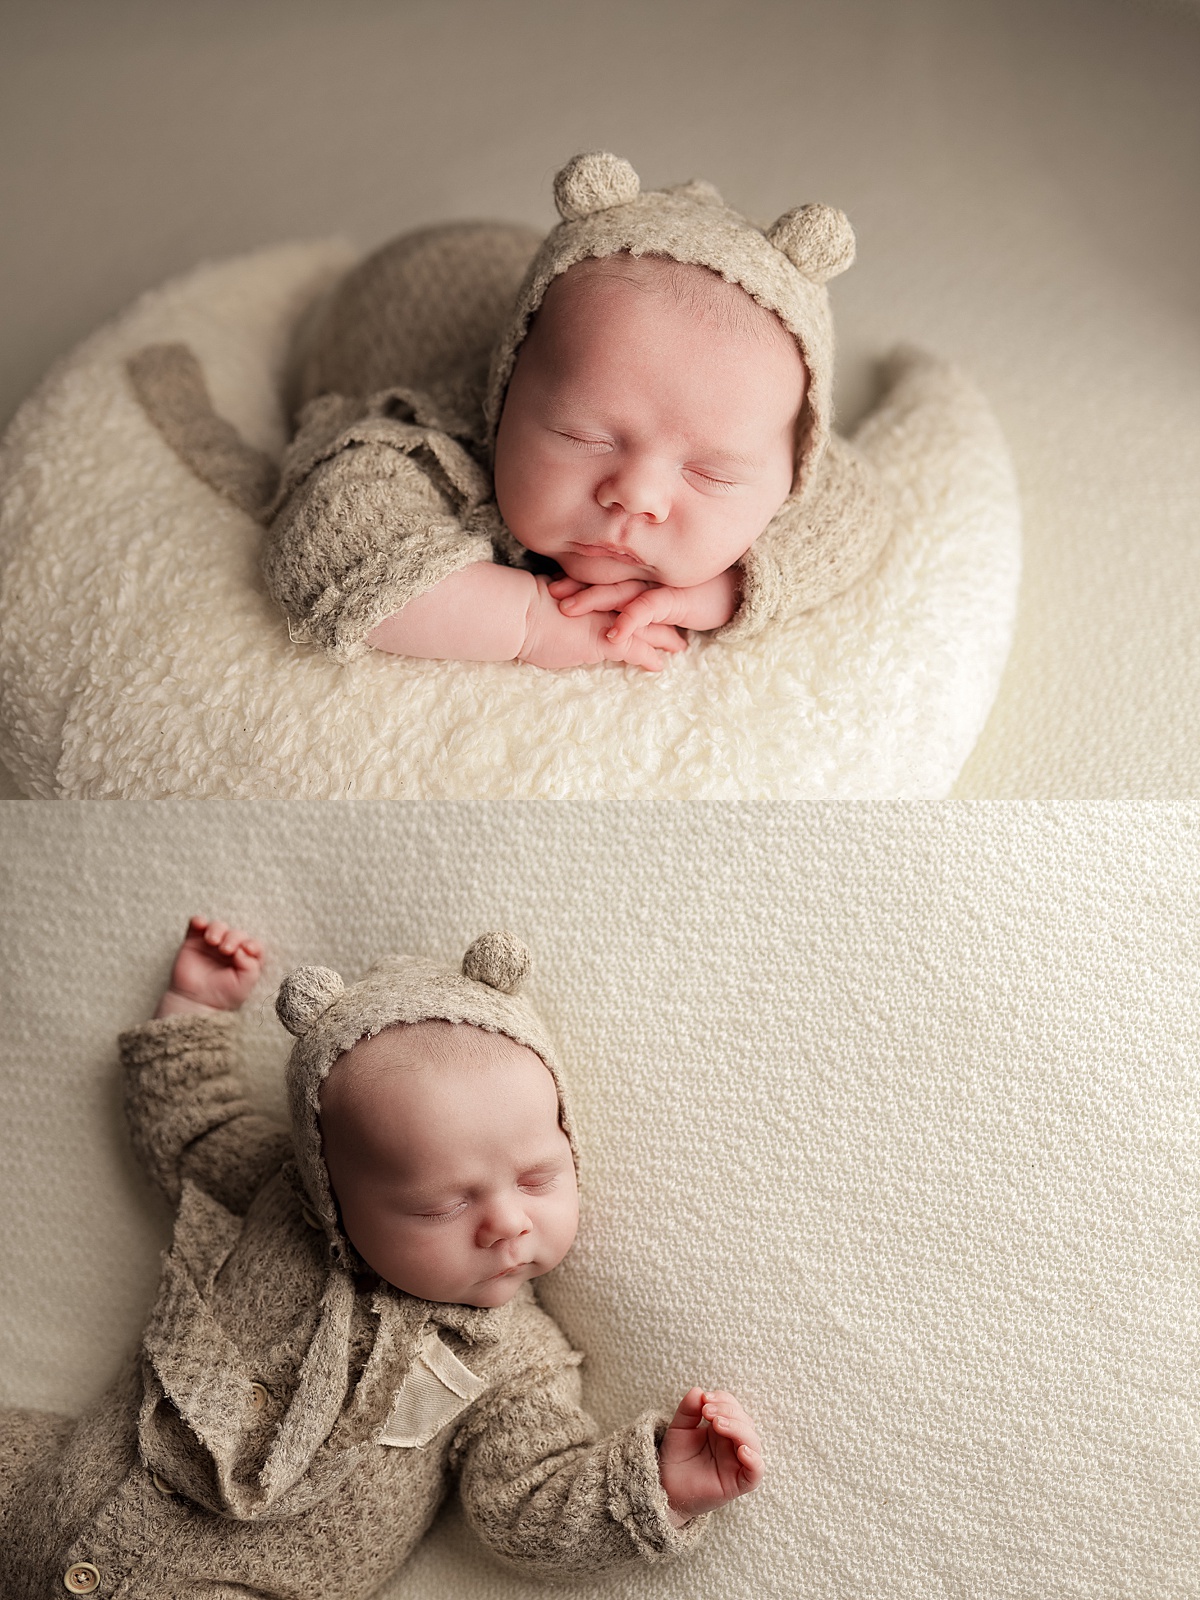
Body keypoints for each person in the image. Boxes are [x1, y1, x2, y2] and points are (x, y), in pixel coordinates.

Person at [0, 916, 762, 1598]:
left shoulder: (513, 1360)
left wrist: (663, 1484)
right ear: (330, 1191)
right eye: (441, 1204)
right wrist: (195, 1010)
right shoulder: (275, 1198)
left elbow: (527, 1503)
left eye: (538, 1179)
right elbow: (193, 1130)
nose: (505, 1222)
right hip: (56, 1484)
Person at [130, 152, 892, 672]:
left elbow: (859, 508)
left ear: (792, 468)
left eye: (712, 475)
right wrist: (530, 620)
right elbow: (323, 552)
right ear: (503, 400)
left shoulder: (780, 446)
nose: (638, 496)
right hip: (397, 288)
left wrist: (720, 588)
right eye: (583, 436)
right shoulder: (434, 446)